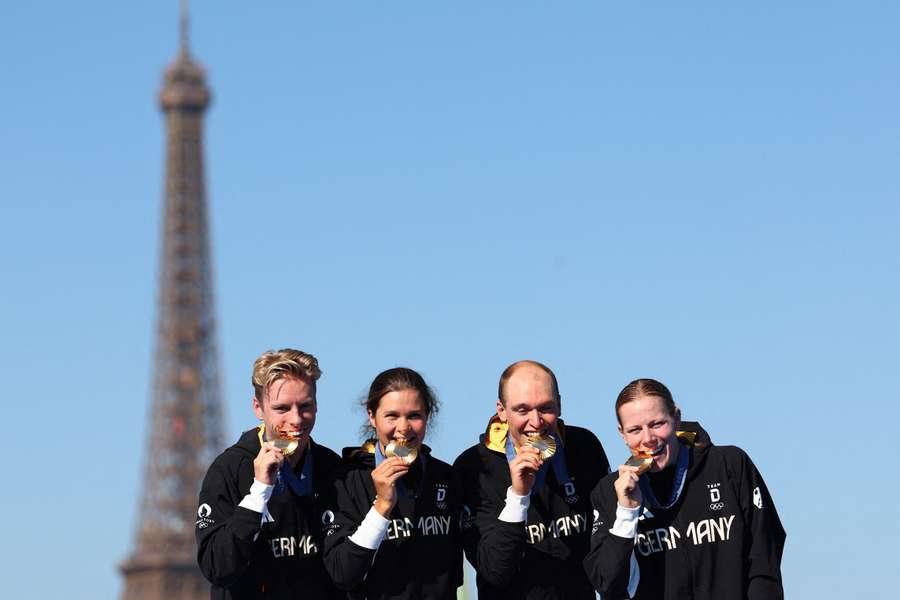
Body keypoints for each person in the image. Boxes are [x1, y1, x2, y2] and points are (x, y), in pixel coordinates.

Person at [583, 378, 786, 600]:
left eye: (657, 424)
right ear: (622, 434)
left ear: (676, 418)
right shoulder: (610, 492)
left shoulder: (729, 465)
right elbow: (608, 585)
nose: (648, 439)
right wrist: (627, 512)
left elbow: (764, 558)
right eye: (635, 430)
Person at [453, 360, 610, 599]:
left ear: (559, 404)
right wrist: (518, 495)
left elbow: (605, 551)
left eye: (546, 408)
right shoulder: (473, 466)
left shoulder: (584, 446)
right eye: (522, 410)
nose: (536, 422)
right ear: (501, 411)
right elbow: (495, 571)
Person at [195, 348, 342, 599]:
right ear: (258, 408)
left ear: (316, 404)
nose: (296, 419)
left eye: (305, 406)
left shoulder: (333, 467)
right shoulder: (228, 470)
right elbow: (216, 567)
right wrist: (259, 490)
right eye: (282, 408)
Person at [322, 367, 462, 599]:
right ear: (372, 416)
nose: (403, 428)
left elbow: (454, 574)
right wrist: (382, 507)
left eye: (414, 415)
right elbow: (343, 574)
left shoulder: (445, 476)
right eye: (392, 416)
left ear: (428, 415)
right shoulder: (346, 481)